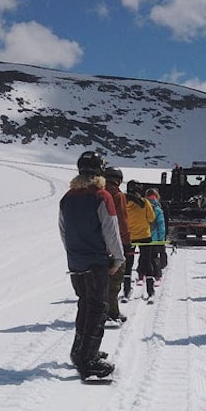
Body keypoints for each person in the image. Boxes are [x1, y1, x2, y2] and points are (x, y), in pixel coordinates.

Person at [59, 151, 123, 380]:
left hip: (76, 261)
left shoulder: (68, 196)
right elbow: (111, 231)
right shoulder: (101, 196)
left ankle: (81, 351)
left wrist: (73, 253)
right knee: (98, 308)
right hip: (95, 260)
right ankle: (88, 361)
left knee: (85, 305)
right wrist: (118, 258)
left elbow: (63, 230)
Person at [101, 166, 132, 325]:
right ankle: (112, 312)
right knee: (115, 280)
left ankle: (103, 311)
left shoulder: (97, 192)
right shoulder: (117, 195)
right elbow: (122, 220)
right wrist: (127, 242)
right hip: (115, 242)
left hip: (98, 243)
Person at [145, 187, 168, 273]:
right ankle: (157, 274)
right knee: (154, 256)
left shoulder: (143, 207)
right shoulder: (158, 208)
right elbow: (161, 225)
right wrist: (161, 239)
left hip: (144, 236)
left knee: (145, 256)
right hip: (155, 238)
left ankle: (143, 274)